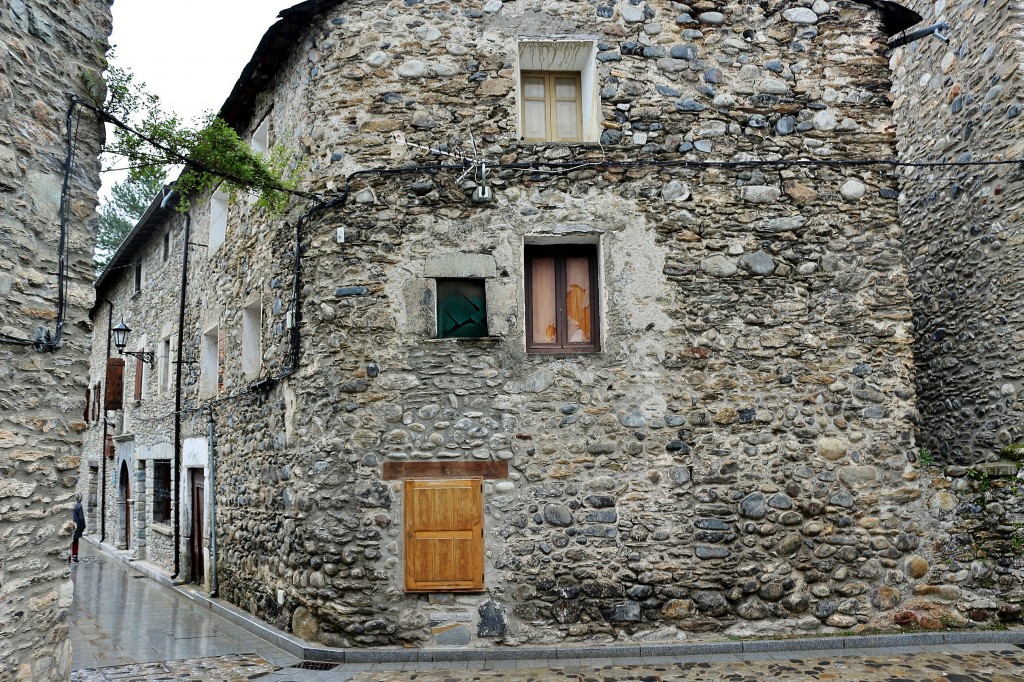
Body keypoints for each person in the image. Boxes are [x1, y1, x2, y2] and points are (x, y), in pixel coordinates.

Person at [70, 493, 85, 563]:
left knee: (68, 541)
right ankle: (75, 555)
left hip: (68, 524)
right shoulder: (78, 505)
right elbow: (81, 517)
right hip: (76, 524)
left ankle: (68, 557)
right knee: (75, 540)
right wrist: (83, 526)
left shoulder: (68, 505)